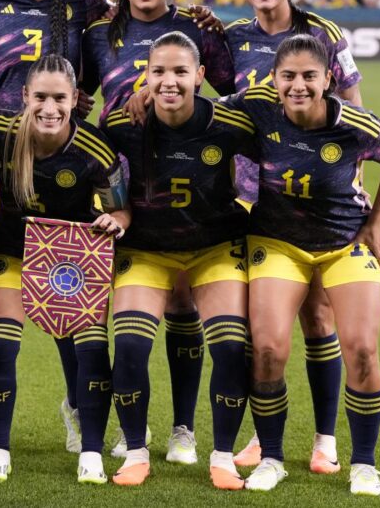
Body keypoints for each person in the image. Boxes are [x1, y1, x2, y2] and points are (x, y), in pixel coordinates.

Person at [189, 0, 365, 472]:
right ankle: (263, 438)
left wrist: (351, 200)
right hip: (250, 199)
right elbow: (222, 104)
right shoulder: (236, 39)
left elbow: (356, 114)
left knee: (317, 315)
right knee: (260, 327)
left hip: (318, 202)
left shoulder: (325, 35)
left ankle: (325, 440)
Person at [222, 35, 380, 495]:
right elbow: (199, 110)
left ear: (328, 79)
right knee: (267, 349)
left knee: (362, 350)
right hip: (277, 241)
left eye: (309, 76)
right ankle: (272, 457)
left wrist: (378, 221)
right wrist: (147, 94)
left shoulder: (354, 124)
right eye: (288, 76)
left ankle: (363, 463)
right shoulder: (254, 105)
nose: (298, 85)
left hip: (346, 242)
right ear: (275, 79)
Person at [83, 0, 235, 463]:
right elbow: (80, 98)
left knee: (185, 305)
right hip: (124, 180)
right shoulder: (100, 32)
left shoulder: (199, 30)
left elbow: (232, 101)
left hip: (190, 185)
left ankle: (184, 428)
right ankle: (117, 424)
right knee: (123, 319)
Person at [0, 0, 112, 453]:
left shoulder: (84, 3)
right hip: (1, 158)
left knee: (68, 300)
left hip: (67, 162)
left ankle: (77, 408)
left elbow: (110, 46)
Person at [102, 32, 252, 489]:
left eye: (180, 72)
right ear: (145, 75)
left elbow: (276, 159)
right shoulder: (121, 124)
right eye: (159, 72)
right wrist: (118, 209)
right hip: (147, 249)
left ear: (200, 77)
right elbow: (106, 174)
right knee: (129, 346)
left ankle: (222, 456)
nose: (169, 81)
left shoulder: (229, 123)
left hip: (214, 249)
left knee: (229, 346)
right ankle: (136, 452)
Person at [0, 54, 129, 484]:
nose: (50, 108)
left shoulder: (94, 148)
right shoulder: (0, 137)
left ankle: (92, 452)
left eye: (59, 98)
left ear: (74, 99)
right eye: (40, 97)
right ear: (25, 96)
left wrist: (114, 221)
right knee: (2, 344)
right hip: (12, 250)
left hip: (71, 257)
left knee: (89, 348)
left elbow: (121, 209)